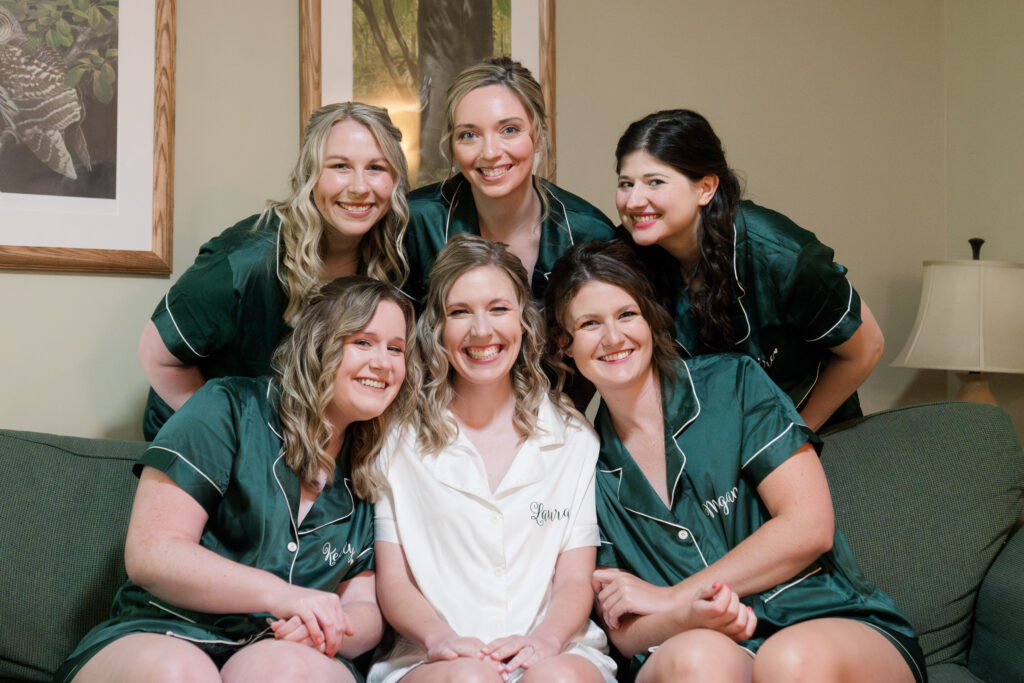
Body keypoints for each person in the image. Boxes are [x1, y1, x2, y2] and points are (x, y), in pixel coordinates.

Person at [543, 241, 925, 683]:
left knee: (788, 662)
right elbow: (625, 632)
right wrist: (687, 615)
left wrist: (673, 596)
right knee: (699, 659)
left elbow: (809, 526)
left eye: (627, 314)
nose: (613, 338)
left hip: (826, 621)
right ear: (563, 344)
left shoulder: (734, 384)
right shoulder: (584, 464)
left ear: (651, 318)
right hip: (708, 649)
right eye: (590, 324)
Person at [57, 277, 420, 683]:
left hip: (280, 650)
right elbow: (152, 553)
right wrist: (282, 596)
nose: (384, 362)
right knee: (180, 673)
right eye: (363, 342)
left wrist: (328, 625)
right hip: (162, 632)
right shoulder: (227, 407)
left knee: (282, 671)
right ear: (318, 344)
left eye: (396, 348)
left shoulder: (377, 465)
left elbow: (365, 609)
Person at [367, 234, 616, 683]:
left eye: (499, 309)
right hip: (432, 656)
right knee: (470, 680)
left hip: (556, 647)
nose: (482, 331)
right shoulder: (397, 436)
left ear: (525, 320)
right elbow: (395, 581)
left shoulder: (573, 437)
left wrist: (545, 641)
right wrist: (439, 638)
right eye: (460, 312)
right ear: (436, 326)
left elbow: (575, 579)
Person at [138, 102, 410, 439]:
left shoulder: (393, 262)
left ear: (395, 179)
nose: (358, 186)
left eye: (375, 168)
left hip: (304, 448)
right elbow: (155, 355)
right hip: (205, 446)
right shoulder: (245, 259)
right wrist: (232, 436)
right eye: (340, 166)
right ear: (310, 174)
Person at [613, 109, 884, 430]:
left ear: (705, 188)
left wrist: (793, 440)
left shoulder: (782, 255)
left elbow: (867, 349)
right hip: (716, 444)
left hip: (816, 433)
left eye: (655, 182)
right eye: (626, 184)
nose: (634, 201)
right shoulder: (628, 255)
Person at [401, 56, 614, 305]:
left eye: (509, 130)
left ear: (539, 136)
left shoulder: (589, 233)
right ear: (452, 144)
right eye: (469, 135)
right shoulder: (414, 222)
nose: (490, 153)